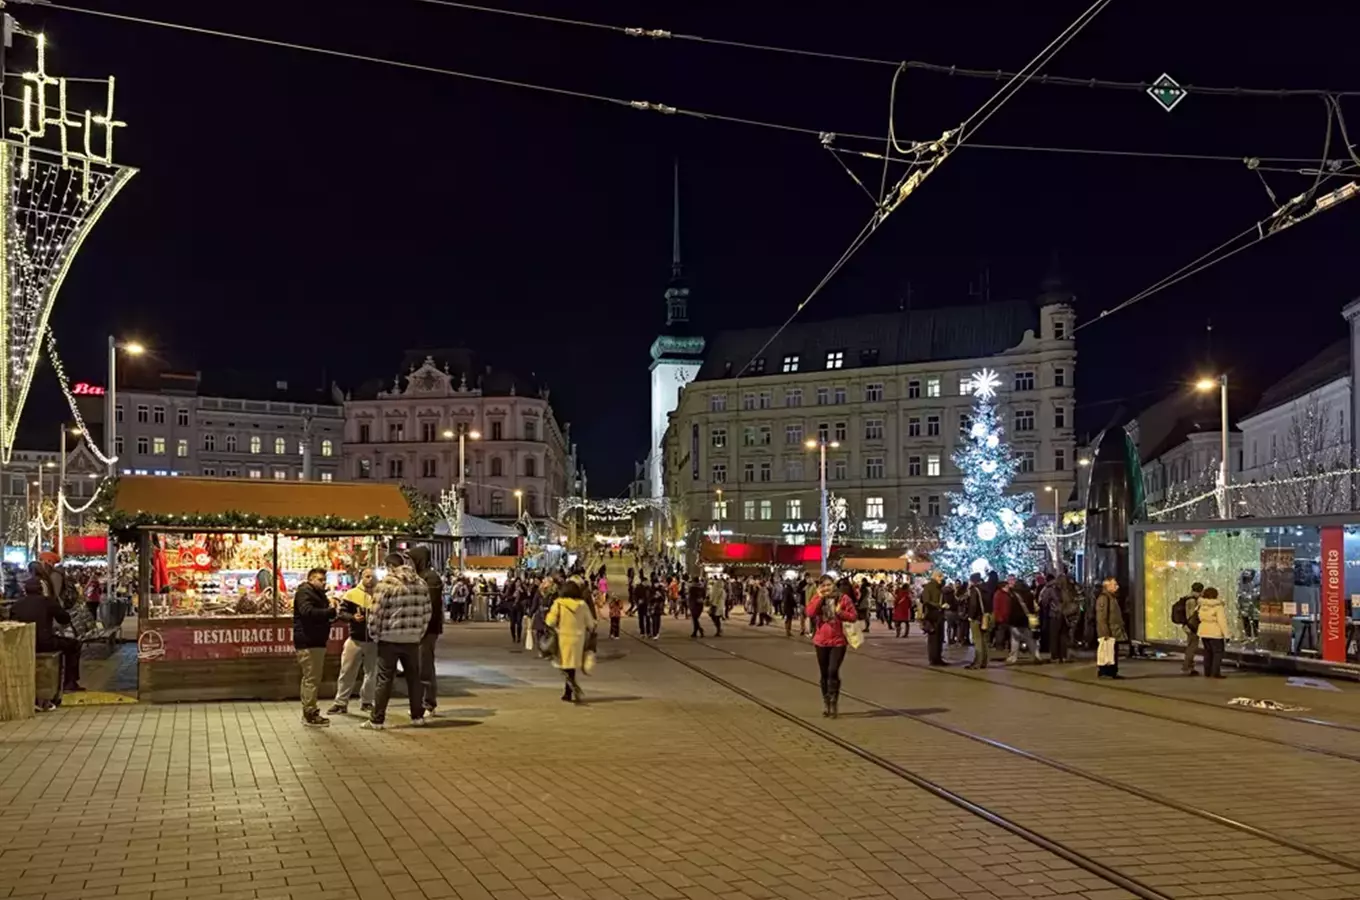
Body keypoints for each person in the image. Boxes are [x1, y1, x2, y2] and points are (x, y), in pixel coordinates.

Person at [364, 551, 430, 730]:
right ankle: (417, 716)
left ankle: (377, 719)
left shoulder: (386, 584)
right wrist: (418, 633)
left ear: (390, 567)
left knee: (384, 679)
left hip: (389, 638)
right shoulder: (421, 584)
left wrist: (375, 634)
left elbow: (375, 614)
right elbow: (427, 613)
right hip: (412, 639)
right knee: (413, 678)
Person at [11, 571, 82, 693]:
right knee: (74, 645)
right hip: (45, 643)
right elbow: (64, 618)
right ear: (40, 589)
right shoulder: (47, 602)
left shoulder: (17, 605)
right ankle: (70, 683)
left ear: (25, 590)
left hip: (23, 644)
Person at [806, 576, 857, 718]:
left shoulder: (843, 598)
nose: (827, 588)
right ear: (820, 587)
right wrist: (820, 598)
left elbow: (853, 616)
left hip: (838, 641)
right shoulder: (817, 598)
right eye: (823, 585)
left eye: (829, 585)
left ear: (834, 585)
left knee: (833, 670)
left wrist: (839, 612)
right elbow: (809, 613)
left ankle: (834, 701)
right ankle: (826, 701)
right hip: (821, 641)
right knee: (824, 673)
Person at [329, 567, 378, 715]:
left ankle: (367, 701)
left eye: (372, 576)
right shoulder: (352, 594)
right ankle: (341, 702)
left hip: (374, 640)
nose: (370, 579)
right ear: (361, 577)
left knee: (372, 673)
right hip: (355, 639)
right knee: (347, 671)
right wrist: (352, 618)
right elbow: (342, 613)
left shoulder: (380, 595)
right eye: (367, 576)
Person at [293, 568, 337, 727]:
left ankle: (310, 710)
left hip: (315, 640)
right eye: (320, 579)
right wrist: (329, 612)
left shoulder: (317, 594)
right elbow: (307, 612)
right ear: (311, 579)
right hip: (308, 641)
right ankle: (310, 713)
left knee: (312, 677)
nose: (323, 582)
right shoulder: (305, 593)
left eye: (324, 579)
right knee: (312, 678)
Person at [407, 546, 443, 718]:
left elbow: (431, 607)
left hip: (427, 629)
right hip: (420, 628)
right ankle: (423, 702)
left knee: (424, 666)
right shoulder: (422, 576)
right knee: (420, 665)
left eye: (412, 560)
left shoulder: (430, 578)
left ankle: (428, 703)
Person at [546, 579, 591, 702]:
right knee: (571, 666)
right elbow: (590, 623)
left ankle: (570, 689)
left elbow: (550, 621)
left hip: (563, 638)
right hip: (578, 639)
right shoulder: (582, 605)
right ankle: (569, 689)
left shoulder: (559, 603)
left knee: (565, 665)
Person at [1196, 586, 1231, 679]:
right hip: (1215, 632)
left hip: (1203, 631)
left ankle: (1207, 671)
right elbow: (1222, 621)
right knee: (1218, 653)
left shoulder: (1201, 605)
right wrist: (1227, 635)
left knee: (1207, 652)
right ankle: (1215, 672)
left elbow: (1199, 617)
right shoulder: (1218, 606)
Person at [1095, 576, 1127, 679]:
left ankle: (1112, 672)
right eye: (1114, 584)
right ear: (1107, 586)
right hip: (1109, 630)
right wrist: (1105, 632)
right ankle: (1106, 672)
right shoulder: (1104, 598)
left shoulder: (1112, 597)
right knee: (1107, 651)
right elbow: (1101, 617)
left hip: (1114, 629)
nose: (1117, 587)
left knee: (1112, 651)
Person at [1006, 576, 1041, 665]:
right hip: (1027, 619)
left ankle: (1013, 657)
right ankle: (1036, 655)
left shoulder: (1013, 595)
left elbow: (1011, 608)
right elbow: (1032, 608)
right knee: (1030, 639)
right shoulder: (1029, 594)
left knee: (1015, 639)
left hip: (1015, 620)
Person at [1176, 582, 1204, 676]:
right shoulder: (1192, 600)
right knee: (1192, 647)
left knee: (1190, 646)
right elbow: (1192, 616)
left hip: (1187, 626)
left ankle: (1190, 667)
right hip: (1191, 627)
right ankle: (1186, 667)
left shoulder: (1187, 598)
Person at [964, 573, 990, 670]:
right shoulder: (986, 589)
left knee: (977, 640)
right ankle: (984, 661)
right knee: (984, 640)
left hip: (977, 618)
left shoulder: (975, 590)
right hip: (986, 617)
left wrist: (971, 616)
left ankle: (977, 662)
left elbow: (974, 605)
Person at [920, 571, 946, 665]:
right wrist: (938, 605)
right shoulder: (929, 587)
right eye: (940, 576)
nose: (941, 578)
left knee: (940, 638)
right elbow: (926, 601)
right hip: (932, 616)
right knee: (933, 638)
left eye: (942, 576)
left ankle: (938, 658)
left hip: (939, 615)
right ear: (935, 577)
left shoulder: (940, 588)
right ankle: (933, 659)